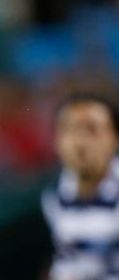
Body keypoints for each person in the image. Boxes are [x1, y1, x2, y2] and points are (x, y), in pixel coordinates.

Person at [41, 93, 119, 280]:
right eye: (68, 130)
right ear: (55, 142)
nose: (80, 142)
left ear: (115, 138)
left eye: (91, 129)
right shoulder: (53, 196)